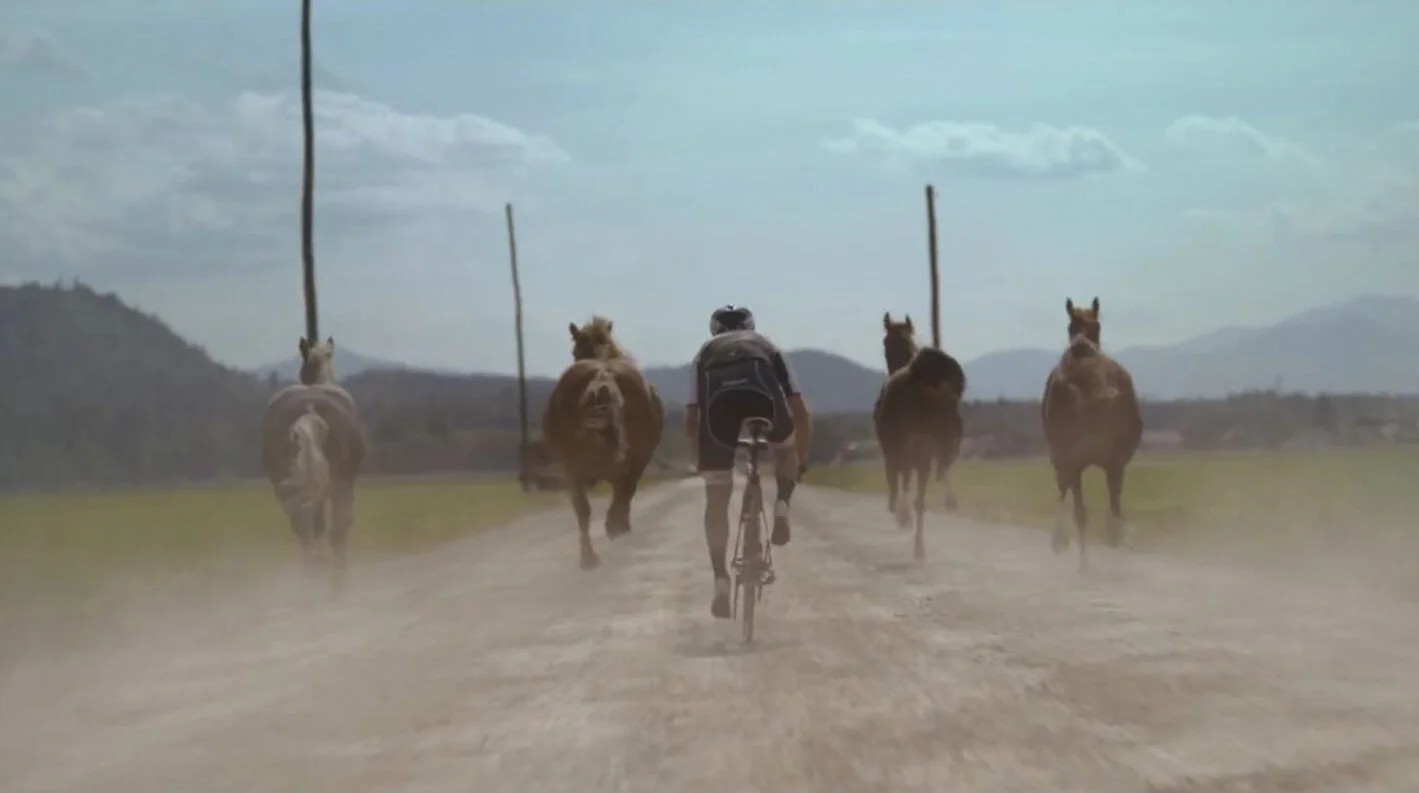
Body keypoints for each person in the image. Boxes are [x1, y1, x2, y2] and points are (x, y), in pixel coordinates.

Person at [685, 305, 814, 619]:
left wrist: (701, 460)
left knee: (717, 498)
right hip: (764, 401)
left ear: (714, 330)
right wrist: (799, 458)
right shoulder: (767, 346)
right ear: (750, 327)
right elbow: (800, 410)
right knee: (785, 449)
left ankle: (720, 580)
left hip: (719, 412)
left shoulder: (705, 353)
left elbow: (692, 416)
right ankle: (781, 505)